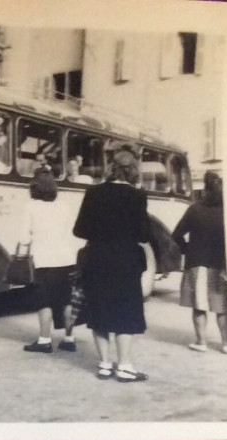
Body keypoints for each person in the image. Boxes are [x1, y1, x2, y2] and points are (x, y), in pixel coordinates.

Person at [73, 146, 152, 381]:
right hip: (126, 262)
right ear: (133, 171)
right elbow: (144, 235)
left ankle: (105, 365)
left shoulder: (93, 192)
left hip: (96, 260)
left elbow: (79, 230)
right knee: (126, 313)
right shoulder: (137, 196)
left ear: (112, 169)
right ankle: (125, 366)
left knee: (99, 310)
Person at [19, 167, 80, 354]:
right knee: (67, 300)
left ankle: (44, 341)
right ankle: (69, 339)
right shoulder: (65, 207)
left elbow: (24, 238)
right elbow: (73, 233)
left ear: (34, 187)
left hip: (44, 260)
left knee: (44, 301)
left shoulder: (31, 207)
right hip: (67, 258)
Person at [172, 170, 227, 355]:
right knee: (222, 306)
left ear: (204, 188)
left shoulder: (195, 209)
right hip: (220, 263)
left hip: (196, 262)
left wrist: (186, 249)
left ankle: (201, 342)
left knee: (199, 304)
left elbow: (176, 234)